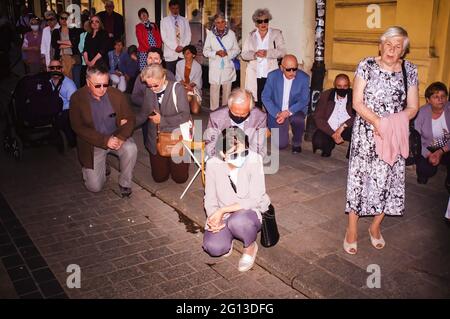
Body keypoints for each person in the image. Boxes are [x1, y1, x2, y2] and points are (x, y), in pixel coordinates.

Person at [344, 26, 419, 255]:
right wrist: (378, 122)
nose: (392, 50)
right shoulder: (366, 65)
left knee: (389, 180)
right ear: (380, 45)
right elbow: (357, 102)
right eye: (388, 44)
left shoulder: (410, 69)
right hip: (367, 133)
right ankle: (352, 229)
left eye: (398, 47)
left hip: (393, 134)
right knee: (360, 180)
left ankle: (375, 227)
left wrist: (392, 123)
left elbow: (413, 107)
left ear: (403, 51)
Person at [203, 127, 270, 272]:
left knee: (239, 221)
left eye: (244, 151)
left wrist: (223, 210)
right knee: (214, 248)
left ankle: (250, 246)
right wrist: (214, 217)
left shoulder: (254, 159)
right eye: (233, 154)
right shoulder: (213, 164)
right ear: (222, 153)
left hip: (249, 211)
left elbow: (255, 199)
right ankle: (228, 236)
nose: (240, 156)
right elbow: (210, 198)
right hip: (225, 214)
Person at [69, 64, 137, 197]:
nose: (102, 89)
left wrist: (121, 137)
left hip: (117, 138)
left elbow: (130, 118)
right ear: (88, 82)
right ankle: (93, 168)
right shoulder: (77, 98)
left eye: (105, 85)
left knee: (131, 148)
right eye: (97, 85)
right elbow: (78, 127)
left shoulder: (116, 94)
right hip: (93, 144)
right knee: (94, 187)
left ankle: (125, 183)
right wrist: (105, 140)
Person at [135, 64, 190, 183]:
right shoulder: (149, 90)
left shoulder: (177, 88)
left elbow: (185, 115)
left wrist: (162, 120)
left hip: (177, 137)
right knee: (159, 178)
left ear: (164, 78)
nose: (153, 88)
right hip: (156, 138)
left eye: (156, 85)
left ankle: (177, 163)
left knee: (180, 179)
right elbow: (143, 114)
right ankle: (167, 164)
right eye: (149, 85)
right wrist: (126, 126)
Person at [261, 54, 310, 153]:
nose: (292, 72)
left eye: (295, 69)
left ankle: (297, 142)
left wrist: (288, 112)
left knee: (298, 119)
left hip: (294, 110)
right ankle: (275, 128)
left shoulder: (304, 78)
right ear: (281, 68)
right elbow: (265, 97)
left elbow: (304, 100)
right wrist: (278, 113)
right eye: (288, 69)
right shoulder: (272, 76)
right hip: (277, 111)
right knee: (280, 145)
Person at [241, 8, 286, 109]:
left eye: (266, 20)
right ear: (256, 23)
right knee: (255, 102)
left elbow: (283, 52)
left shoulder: (276, 33)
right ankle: (257, 123)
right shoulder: (251, 35)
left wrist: (267, 53)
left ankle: (270, 124)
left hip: (270, 73)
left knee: (270, 101)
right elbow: (244, 54)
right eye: (260, 21)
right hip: (254, 74)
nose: (263, 23)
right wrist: (254, 54)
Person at [205, 88, 267, 158]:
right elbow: (210, 145)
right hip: (223, 154)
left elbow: (257, 145)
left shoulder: (260, 117)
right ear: (229, 106)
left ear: (251, 109)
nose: (239, 117)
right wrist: (223, 159)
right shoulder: (215, 117)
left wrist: (242, 159)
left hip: (249, 153)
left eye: (244, 114)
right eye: (235, 113)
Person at [414, 82, 450, 190]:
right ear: (428, 100)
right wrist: (428, 153)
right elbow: (416, 138)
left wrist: (440, 151)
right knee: (425, 168)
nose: (440, 99)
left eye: (443, 96)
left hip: (446, 144)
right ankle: (423, 174)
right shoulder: (422, 112)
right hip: (429, 145)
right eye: (436, 96)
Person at [203, 13, 240, 111]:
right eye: (218, 22)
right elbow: (205, 51)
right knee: (214, 92)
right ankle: (214, 114)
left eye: (222, 22)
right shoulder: (210, 34)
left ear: (225, 22)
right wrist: (216, 53)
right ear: (215, 23)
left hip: (227, 66)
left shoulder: (231, 33)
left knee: (227, 93)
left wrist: (227, 53)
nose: (220, 24)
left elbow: (237, 50)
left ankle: (225, 114)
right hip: (215, 66)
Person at [312, 74, 355, 157]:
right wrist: (333, 134)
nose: (342, 89)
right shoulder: (326, 95)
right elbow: (318, 117)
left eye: (345, 86)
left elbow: (356, 116)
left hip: (346, 128)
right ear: (335, 85)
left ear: (349, 85)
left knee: (357, 133)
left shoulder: (354, 96)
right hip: (330, 127)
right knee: (318, 140)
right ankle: (328, 146)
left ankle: (351, 154)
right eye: (339, 86)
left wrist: (342, 127)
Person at [47, 59, 77, 147]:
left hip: (65, 110)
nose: (55, 70)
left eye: (58, 67)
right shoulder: (47, 82)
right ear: (48, 69)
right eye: (52, 68)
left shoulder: (69, 84)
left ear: (62, 69)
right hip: (50, 109)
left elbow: (74, 104)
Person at [160, 0, 192, 75]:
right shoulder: (164, 21)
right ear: (170, 8)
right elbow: (164, 37)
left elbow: (188, 35)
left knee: (182, 75)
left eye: (177, 8)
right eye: (173, 8)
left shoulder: (184, 20)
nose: (175, 10)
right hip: (170, 54)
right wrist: (175, 47)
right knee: (170, 76)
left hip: (182, 53)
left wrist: (182, 47)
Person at [51, 11, 81, 79]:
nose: (64, 20)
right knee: (61, 80)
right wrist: (69, 44)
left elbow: (75, 43)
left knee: (75, 81)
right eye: (62, 18)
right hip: (60, 59)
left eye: (66, 18)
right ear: (59, 19)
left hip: (73, 59)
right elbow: (54, 45)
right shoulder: (55, 32)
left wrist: (60, 42)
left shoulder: (74, 31)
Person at [176, 45, 202, 114]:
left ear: (193, 55)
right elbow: (178, 78)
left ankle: (191, 103)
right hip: (182, 87)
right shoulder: (179, 64)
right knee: (187, 97)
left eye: (188, 53)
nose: (185, 55)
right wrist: (186, 86)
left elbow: (197, 80)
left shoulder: (198, 66)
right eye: (184, 53)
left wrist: (190, 86)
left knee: (195, 111)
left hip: (193, 89)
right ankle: (184, 113)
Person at [78, 20, 91, 87]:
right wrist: (82, 53)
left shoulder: (92, 35)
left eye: (87, 25)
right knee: (82, 78)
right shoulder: (82, 35)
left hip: (91, 60)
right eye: (85, 25)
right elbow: (79, 46)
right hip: (83, 59)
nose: (86, 27)